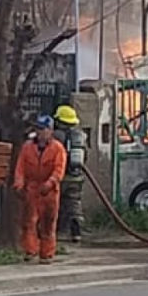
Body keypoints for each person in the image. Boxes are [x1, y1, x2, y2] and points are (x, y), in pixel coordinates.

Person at [13, 115, 67, 263]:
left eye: (42, 129)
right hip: (31, 189)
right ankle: (30, 251)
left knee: (48, 224)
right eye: (37, 129)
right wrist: (19, 184)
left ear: (50, 131)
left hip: (49, 191)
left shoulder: (58, 149)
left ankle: (47, 253)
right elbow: (20, 168)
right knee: (28, 221)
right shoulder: (27, 147)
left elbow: (59, 170)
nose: (39, 132)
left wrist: (50, 184)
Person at [53, 104, 87, 243]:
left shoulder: (56, 136)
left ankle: (56, 232)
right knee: (74, 203)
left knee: (56, 203)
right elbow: (86, 155)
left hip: (60, 175)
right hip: (77, 176)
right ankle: (76, 231)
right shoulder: (80, 135)